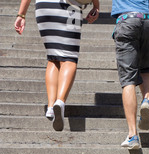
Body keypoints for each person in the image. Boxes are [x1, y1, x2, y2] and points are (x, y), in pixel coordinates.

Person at [15, 0, 100, 131]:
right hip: (70, 8)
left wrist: (21, 15)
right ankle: (60, 102)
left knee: (53, 57)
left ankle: (50, 107)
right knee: (69, 58)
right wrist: (96, 6)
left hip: (43, 8)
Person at [111, 0, 149, 150]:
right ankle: (146, 100)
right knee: (146, 69)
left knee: (128, 80)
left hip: (127, 20)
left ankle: (133, 135)